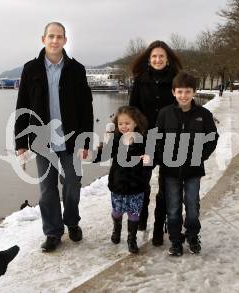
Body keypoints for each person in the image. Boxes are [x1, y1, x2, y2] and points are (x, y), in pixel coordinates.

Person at [14, 22, 93, 252]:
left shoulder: (76, 69)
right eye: (51, 36)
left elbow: (86, 108)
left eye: (59, 37)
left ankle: (72, 222)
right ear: (43, 39)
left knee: (72, 183)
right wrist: (20, 141)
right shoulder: (31, 69)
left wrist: (86, 141)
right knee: (47, 190)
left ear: (65, 40)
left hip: (71, 138)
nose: (55, 41)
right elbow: (22, 106)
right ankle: (53, 232)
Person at [155, 71, 219, 256]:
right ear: (174, 92)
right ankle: (175, 240)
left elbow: (212, 138)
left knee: (192, 205)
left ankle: (192, 235)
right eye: (180, 91)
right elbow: (157, 139)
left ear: (194, 92)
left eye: (188, 91)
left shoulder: (203, 114)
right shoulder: (165, 114)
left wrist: (200, 156)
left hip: (193, 170)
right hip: (170, 171)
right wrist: (163, 157)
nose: (184, 95)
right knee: (173, 207)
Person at [129, 40, 183, 245]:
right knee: (142, 182)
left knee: (168, 184)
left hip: (171, 138)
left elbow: (183, 106)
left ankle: (161, 224)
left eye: (161, 56)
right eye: (154, 57)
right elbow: (133, 110)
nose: (158, 59)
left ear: (167, 59)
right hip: (146, 139)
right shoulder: (140, 81)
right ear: (149, 60)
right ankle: (141, 219)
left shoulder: (176, 80)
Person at [94, 106, 150, 253]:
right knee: (117, 211)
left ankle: (132, 239)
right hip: (118, 183)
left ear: (135, 123)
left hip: (136, 185)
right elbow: (105, 154)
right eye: (120, 124)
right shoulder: (116, 140)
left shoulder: (143, 141)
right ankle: (117, 228)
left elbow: (150, 160)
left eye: (127, 123)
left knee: (134, 213)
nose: (124, 126)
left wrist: (146, 161)